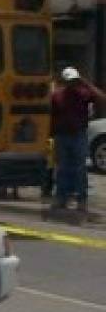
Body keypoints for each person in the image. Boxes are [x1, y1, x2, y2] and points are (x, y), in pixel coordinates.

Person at [49, 66, 106, 213]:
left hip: (78, 135)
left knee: (80, 169)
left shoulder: (83, 94)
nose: (72, 84)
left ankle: (81, 200)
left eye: (74, 81)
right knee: (62, 168)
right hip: (62, 136)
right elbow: (51, 114)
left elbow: (101, 98)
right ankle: (62, 198)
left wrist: (86, 83)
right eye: (70, 81)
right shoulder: (57, 95)